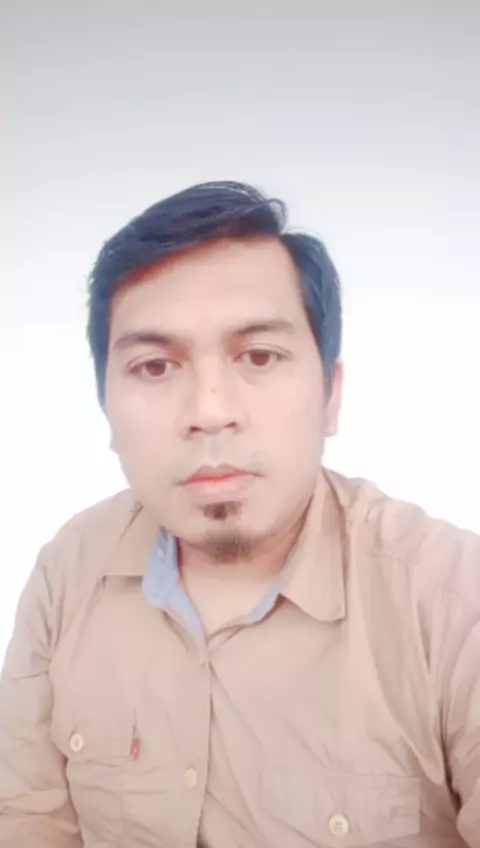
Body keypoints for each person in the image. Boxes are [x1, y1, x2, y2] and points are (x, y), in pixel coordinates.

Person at [0, 181, 478, 848]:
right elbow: (28, 821)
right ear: (105, 408)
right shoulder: (67, 573)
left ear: (331, 393)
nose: (208, 410)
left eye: (259, 356)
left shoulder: (453, 600)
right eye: (154, 366)